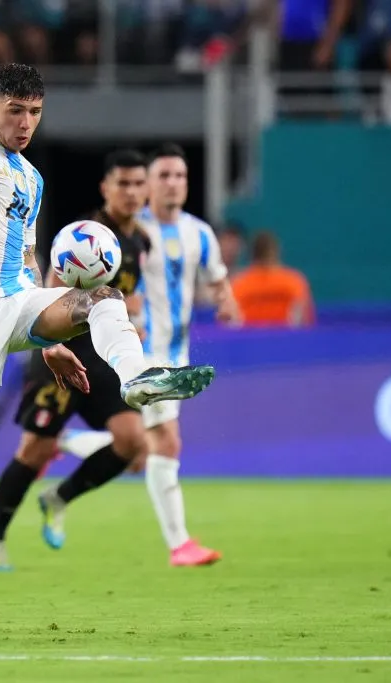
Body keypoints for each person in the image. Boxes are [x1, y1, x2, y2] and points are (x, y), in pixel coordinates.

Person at [0, 65, 217, 633]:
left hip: (18, 300)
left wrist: (46, 337)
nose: (25, 123)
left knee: (100, 295)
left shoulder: (30, 179)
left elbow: (28, 262)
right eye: (14, 111)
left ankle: (138, 373)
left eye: (34, 113)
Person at [0, 149, 152, 570]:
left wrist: (134, 320)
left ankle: (59, 498)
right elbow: (52, 291)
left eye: (138, 184)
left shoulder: (139, 241)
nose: (131, 192)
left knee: (132, 441)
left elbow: (128, 293)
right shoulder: (87, 235)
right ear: (105, 187)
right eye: (122, 183)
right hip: (63, 352)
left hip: (102, 357)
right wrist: (52, 343)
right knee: (36, 450)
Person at [137, 143, 236, 566]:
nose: (174, 183)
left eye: (180, 175)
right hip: (136, 351)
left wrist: (227, 301)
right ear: (148, 184)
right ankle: (179, 544)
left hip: (175, 353)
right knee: (166, 442)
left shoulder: (199, 232)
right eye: (165, 176)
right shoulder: (131, 231)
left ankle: (64, 443)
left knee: (136, 448)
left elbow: (217, 278)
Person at [231, 230, 315, 327]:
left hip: (250, 339)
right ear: (276, 251)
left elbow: (232, 319)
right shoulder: (293, 281)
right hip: (287, 339)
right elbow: (305, 317)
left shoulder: (239, 283)